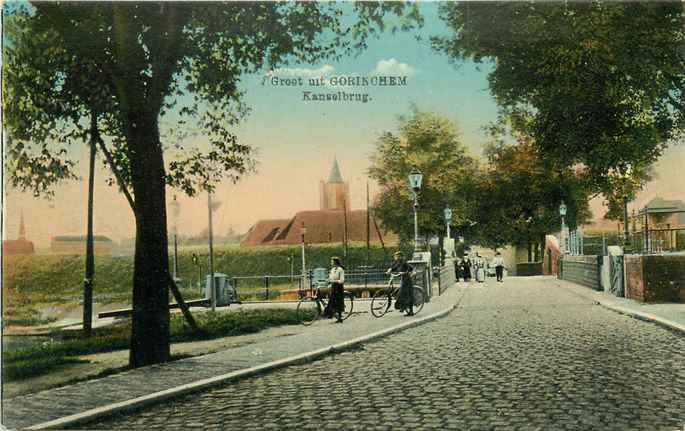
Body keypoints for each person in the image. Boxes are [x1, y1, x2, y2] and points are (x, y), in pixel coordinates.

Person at [387, 251, 414, 316]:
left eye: (396, 256)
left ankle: (411, 311)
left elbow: (410, 268)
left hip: (407, 280)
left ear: (400, 257)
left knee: (406, 294)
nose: (395, 257)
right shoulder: (398, 262)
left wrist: (405, 272)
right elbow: (394, 267)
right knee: (399, 292)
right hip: (403, 279)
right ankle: (402, 307)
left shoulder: (404, 262)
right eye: (395, 256)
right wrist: (390, 270)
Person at [324, 257, 345, 323]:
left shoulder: (340, 269)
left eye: (332, 261)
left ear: (335, 262)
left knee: (338, 301)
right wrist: (327, 280)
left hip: (339, 287)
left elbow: (342, 280)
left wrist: (334, 281)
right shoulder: (332, 269)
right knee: (332, 300)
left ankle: (339, 317)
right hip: (333, 286)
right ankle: (331, 313)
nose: (331, 263)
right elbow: (330, 277)